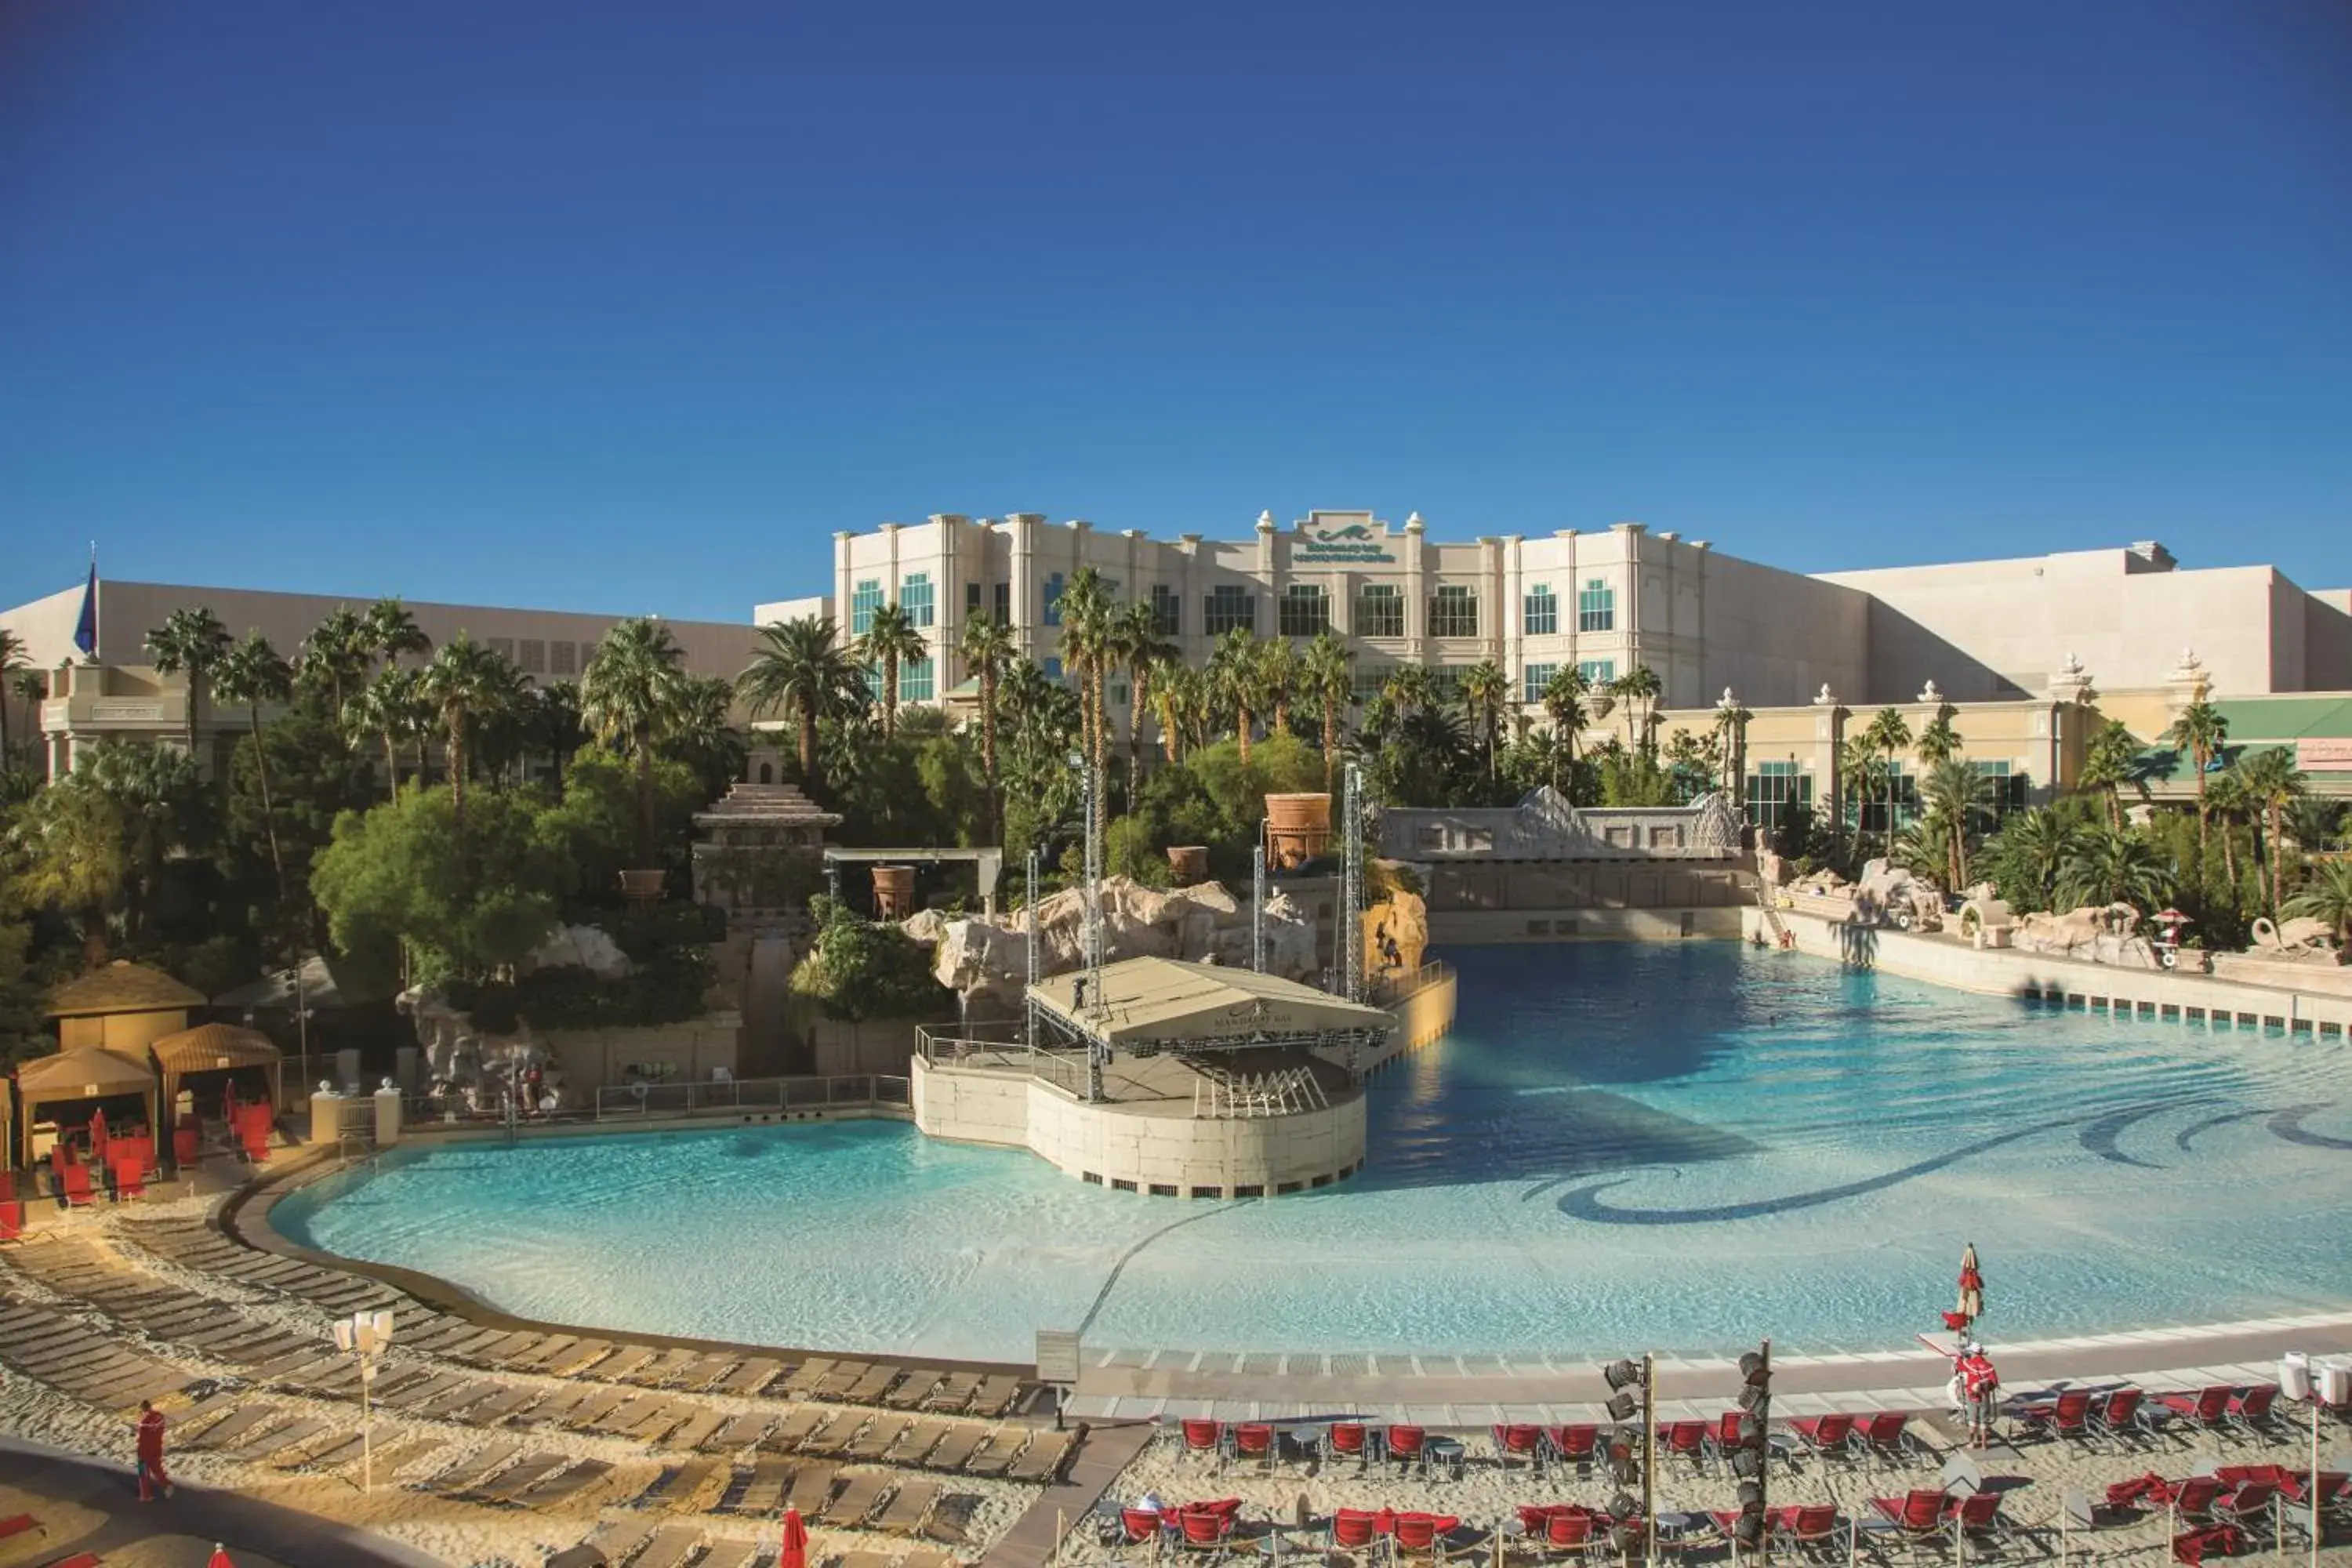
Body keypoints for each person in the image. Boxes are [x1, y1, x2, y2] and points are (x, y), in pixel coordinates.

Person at [1957, 1341, 2001, 1449]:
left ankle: (1972, 1442)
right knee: (1984, 1420)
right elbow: (1994, 1382)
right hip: (1984, 1395)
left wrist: (1960, 1356)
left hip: (1972, 1395)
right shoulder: (1989, 1366)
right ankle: (1984, 1444)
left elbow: (1959, 1366)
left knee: (1972, 1420)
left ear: (1973, 1353)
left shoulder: (1969, 1363)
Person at [136, 1399, 173, 1499]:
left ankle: (145, 1495)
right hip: (156, 1448)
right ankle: (166, 1485)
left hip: (144, 1451)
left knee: (143, 1473)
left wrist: (139, 1425)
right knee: (157, 1469)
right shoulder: (159, 1416)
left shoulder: (144, 1422)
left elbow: (142, 1433)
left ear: (142, 1408)